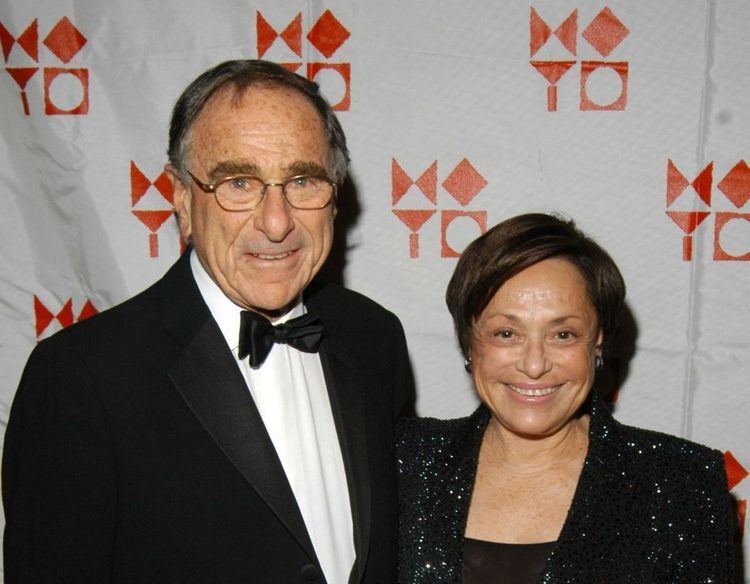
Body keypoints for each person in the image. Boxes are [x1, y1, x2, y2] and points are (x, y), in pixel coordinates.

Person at [3, 59, 414, 583]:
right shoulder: (81, 377)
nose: (276, 221)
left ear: (334, 194)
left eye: (303, 180)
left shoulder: (375, 337)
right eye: (239, 182)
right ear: (180, 195)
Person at [397, 213, 735, 583]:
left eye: (564, 335)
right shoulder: (404, 460)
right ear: (469, 343)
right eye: (506, 333)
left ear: (598, 342)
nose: (534, 365)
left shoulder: (682, 484)